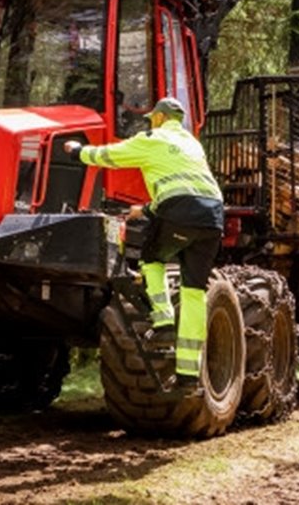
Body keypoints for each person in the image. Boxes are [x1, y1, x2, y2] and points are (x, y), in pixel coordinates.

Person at [63, 97, 223, 389]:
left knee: (151, 257)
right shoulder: (192, 145)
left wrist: (77, 151)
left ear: (160, 118)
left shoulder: (153, 138)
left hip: (181, 213)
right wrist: (146, 208)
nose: (150, 121)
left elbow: (109, 156)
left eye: (152, 118)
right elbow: (185, 187)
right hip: (212, 218)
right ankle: (188, 374)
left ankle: (162, 320)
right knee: (194, 292)